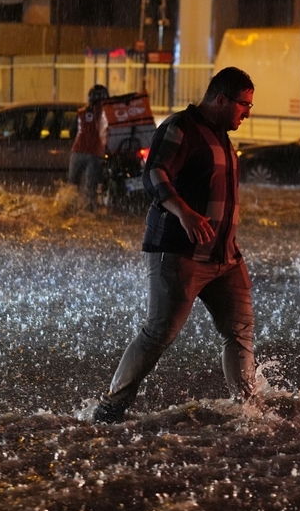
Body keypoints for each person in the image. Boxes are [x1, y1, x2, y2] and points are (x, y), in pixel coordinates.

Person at [92, 67, 256, 424]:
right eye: (244, 105)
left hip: (225, 258)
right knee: (159, 333)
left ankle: (249, 410)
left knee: (240, 332)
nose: (247, 113)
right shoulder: (182, 127)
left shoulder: (221, 136)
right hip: (180, 253)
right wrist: (184, 213)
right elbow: (154, 173)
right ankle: (109, 409)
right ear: (221, 99)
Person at [68, 85, 109, 210]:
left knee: (72, 185)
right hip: (95, 153)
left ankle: (69, 208)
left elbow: (72, 132)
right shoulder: (106, 113)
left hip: (77, 151)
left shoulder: (81, 112)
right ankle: (89, 211)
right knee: (90, 188)